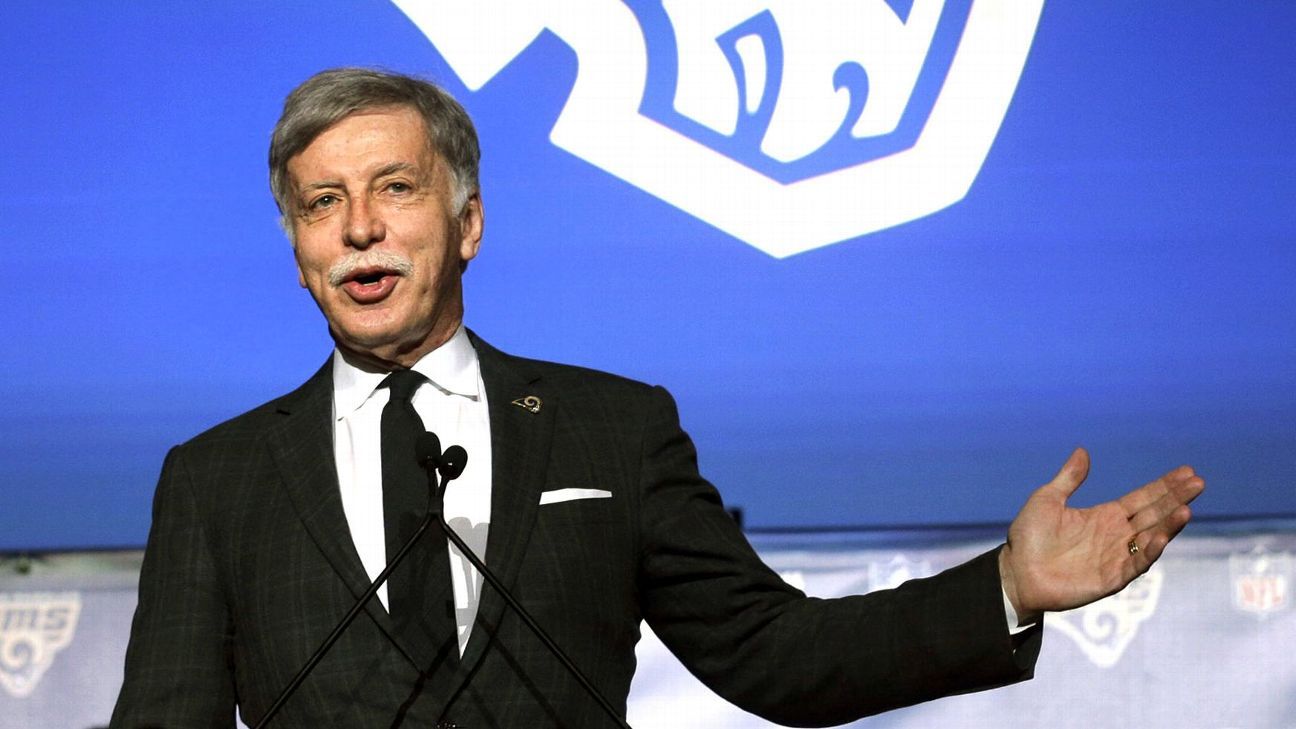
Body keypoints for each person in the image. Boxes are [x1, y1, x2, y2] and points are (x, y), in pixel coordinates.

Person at [110, 68, 1204, 729]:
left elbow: (780, 654)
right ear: (299, 250)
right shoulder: (217, 480)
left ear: (468, 223)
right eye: (321, 204)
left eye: (395, 188)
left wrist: (1005, 586)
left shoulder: (612, 430)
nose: (359, 228)